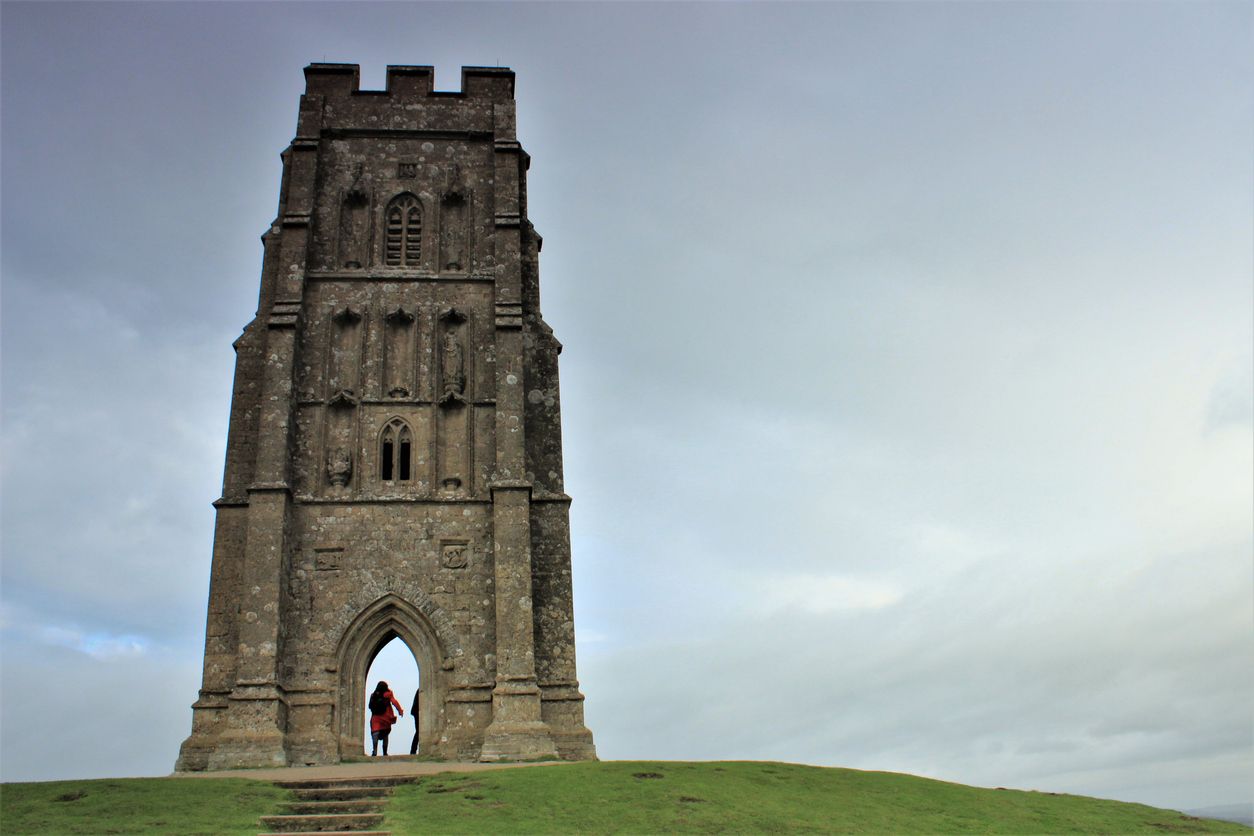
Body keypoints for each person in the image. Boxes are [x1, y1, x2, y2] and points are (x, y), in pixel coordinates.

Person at [368, 680, 403, 756]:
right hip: (386, 718)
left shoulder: (373, 695)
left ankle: (374, 751)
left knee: (375, 733)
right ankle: (385, 752)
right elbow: (394, 702)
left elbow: (370, 706)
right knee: (385, 734)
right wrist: (400, 710)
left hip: (375, 718)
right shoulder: (388, 694)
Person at [409, 687, 421, 755]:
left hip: (416, 711)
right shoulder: (421, 689)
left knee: (418, 731)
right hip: (417, 712)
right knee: (418, 731)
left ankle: (413, 750)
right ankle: (413, 750)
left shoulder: (420, 690)